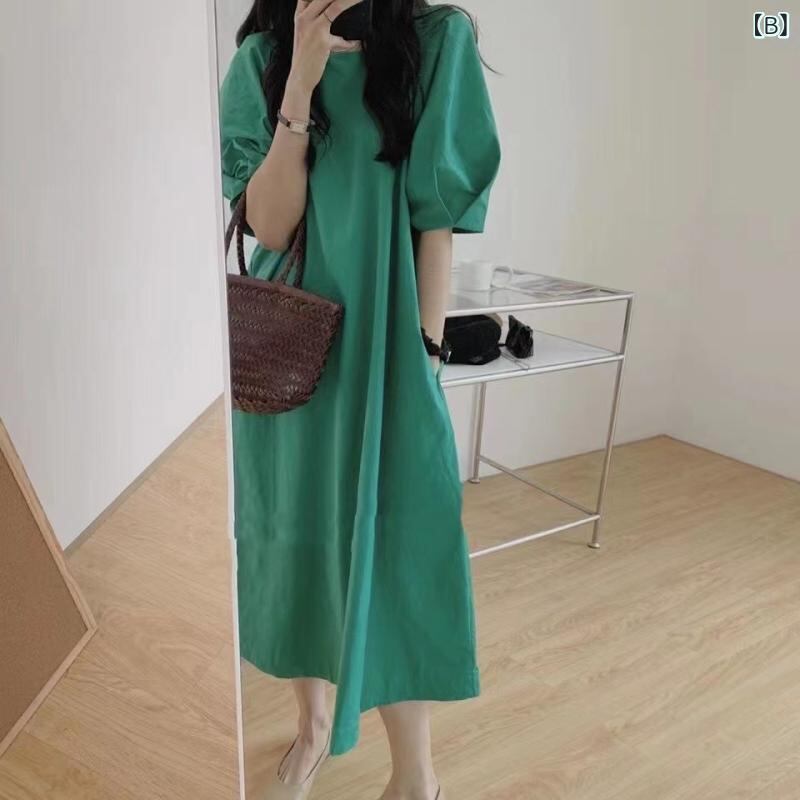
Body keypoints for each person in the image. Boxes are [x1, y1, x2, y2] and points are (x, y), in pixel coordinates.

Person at [219, 0, 501, 797]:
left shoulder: (436, 40)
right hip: (290, 347)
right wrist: (299, 87)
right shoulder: (263, 58)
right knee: (297, 534)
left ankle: (415, 775)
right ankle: (313, 729)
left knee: (404, 545)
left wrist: (429, 356)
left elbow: (437, 220)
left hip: (389, 342)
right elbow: (271, 227)